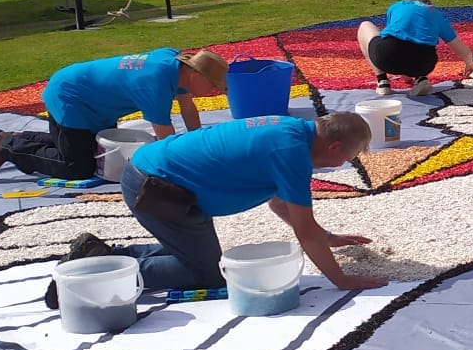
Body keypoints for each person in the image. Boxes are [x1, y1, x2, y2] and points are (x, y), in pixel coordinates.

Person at [56, 110, 385, 301]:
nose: (341, 164)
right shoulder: (292, 154)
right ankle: (92, 277)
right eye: (346, 157)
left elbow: (280, 206)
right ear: (335, 145)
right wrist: (341, 280)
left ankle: (103, 255)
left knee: (193, 256)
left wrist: (327, 237)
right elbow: (303, 229)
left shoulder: (292, 132)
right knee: (205, 272)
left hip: (161, 177)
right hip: (156, 187)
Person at [0, 49, 228, 183]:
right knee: (79, 166)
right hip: (71, 96)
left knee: (88, 151)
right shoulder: (155, 83)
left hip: (94, 99)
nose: (213, 92)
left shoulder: (177, 65)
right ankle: (7, 145)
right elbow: (165, 140)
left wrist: (198, 148)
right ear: (196, 75)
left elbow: (188, 109)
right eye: (213, 85)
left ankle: (16, 138)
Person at [357, 0, 473, 98]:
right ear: (428, 3)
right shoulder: (434, 12)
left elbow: (392, 38)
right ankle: (420, 77)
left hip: (389, 56)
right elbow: (461, 48)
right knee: (422, 43)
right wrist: (469, 63)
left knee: (365, 26)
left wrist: (403, 73)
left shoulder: (397, 6)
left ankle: (382, 81)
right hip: (424, 63)